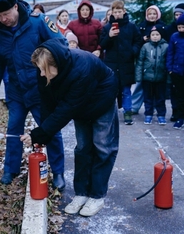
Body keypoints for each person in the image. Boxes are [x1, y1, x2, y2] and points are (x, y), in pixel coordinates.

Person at [20, 38, 119, 217]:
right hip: (81, 105)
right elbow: (47, 104)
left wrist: (41, 133)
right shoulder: (44, 70)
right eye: (39, 69)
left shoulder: (82, 68)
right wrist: (42, 135)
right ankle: (81, 194)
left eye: (44, 70)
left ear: (56, 64)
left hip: (102, 99)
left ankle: (97, 195)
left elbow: (66, 108)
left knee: (103, 147)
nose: (41, 74)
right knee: (82, 148)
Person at [0, 0, 66, 189]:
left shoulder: (37, 22)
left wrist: (51, 71)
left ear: (15, 6)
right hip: (16, 91)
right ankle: (10, 169)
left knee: (50, 129)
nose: (3, 19)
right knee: (13, 131)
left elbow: (61, 44)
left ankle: (58, 172)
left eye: (6, 13)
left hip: (41, 90)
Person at [100, 0, 143, 125]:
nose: (117, 14)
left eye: (119, 12)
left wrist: (132, 52)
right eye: (115, 12)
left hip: (126, 63)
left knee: (126, 91)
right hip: (111, 64)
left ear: (124, 11)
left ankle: (127, 113)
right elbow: (102, 45)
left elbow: (138, 41)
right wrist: (109, 35)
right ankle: (111, 114)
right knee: (111, 90)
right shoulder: (107, 27)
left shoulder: (131, 26)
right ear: (111, 13)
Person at [132, 5, 167, 115]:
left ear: (158, 15)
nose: (152, 16)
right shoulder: (142, 26)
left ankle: (156, 109)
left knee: (157, 89)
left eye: (154, 14)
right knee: (140, 85)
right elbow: (137, 40)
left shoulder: (162, 26)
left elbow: (165, 41)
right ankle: (134, 106)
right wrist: (143, 39)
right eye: (150, 14)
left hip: (158, 63)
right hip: (145, 60)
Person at [135, 26, 168, 125]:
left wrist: (169, 77)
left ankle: (161, 115)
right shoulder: (145, 46)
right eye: (153, 35)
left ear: (161, 36)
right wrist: (139, 76)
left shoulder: (166, 46)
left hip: (161, 77)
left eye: (157, 34)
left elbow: (168, 61)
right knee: (148, 97)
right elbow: (140, 61)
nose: (155, 37)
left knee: (160, 98)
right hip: (147, 78)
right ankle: (148, 114)